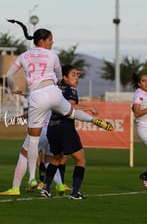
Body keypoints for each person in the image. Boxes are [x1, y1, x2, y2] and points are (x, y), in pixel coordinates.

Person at [5, 19, 113, 191]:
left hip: (37, 96)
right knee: (71, 113)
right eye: (50, 39)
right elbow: (58, 76)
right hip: (53, 93)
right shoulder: (53, 55)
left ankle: (32, 178)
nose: (52, 42)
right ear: (42, 41)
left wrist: (14, 89)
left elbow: (9, 76)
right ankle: (93, 121)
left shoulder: (24, 56)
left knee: (32, 140)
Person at [40, 65, 98, 199]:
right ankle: (75, 193)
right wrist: (89, 107)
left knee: (57, 158)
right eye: (73, 75)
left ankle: (45, 189)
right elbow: (71, 107)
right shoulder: (71, 89)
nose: (76, 78)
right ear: (65, 77)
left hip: (52, 127)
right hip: (65, 128)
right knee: (81, 160)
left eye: (78, 75)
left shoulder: (55, 89)